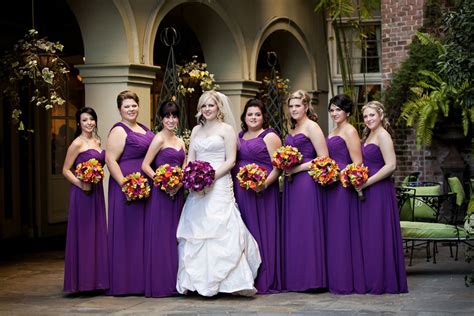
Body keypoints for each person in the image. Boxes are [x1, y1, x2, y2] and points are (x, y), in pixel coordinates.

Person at [176, 90, 261, 297]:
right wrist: (192, 178)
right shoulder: (196, 130)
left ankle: (228, 283)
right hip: (198, 186)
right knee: (198, 228)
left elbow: (231, 160)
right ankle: (196, 282)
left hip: (219, 182)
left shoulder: (227, 130)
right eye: (203, 106)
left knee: (221, 226)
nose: (207, 109)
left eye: (211, 105)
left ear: (218, 108)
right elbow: (191, 158)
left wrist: (209, 178)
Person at [105, 90, 154, 295]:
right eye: (126, 106)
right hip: (127, 187)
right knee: (129, 233)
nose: (131, 109)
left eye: (134, 105)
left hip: (145, 187)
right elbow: (110, 160)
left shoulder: (143, 128)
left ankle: (142, 280)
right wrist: (126, 184)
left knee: (142, 233)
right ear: (119, 109)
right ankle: (126, 282)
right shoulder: (119, 130)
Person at [356, 101, 408, 294]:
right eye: (366, 116)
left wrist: (367, 182)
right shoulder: (369, 134)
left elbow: (391, 166)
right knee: (370, 235)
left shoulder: (383, 135)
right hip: (368, 190)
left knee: (379, 234)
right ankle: (372, 277)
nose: (369, 119)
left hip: (379, 190)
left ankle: (383, 280)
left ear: (380, 115)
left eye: (372, 115)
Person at [232, 98, 281, 294]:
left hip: (263, 193)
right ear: (244, 117)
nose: (253, 118)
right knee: (245, 231)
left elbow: (279, 167)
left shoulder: (269, 136)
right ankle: (246, 276)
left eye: (257, 114)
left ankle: (265, 277)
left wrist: (264, 185)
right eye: (250, 114)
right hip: (241, 191)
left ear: (263, 117)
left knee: (263, 232)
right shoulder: (239, 136)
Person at [281, 89, 328, 292]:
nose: (293, 109)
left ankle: (312, 278)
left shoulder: (312, 127)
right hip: (292, 184)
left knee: (307, 227)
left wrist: (296, 169)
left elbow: (324, 158)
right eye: (291, 106)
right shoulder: (292, 129)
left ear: (306, 106)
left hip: (306, 183)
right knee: (295, 228)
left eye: (297, 105)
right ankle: (296, 278)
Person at [141, 100, 186, 298]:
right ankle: (161, 283)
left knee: (176, 236)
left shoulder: (181, 141)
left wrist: (179, 183)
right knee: (162, 237)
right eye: (167, 116)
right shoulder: (158, 139)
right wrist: (161, 182)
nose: (171, 120)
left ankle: (177, 281)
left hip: (177, 194)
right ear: (161, 118)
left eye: (174, 116)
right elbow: (145, 165)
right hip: (161, 195)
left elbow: (185, 167)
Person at [62, 107, 109, 293]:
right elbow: (65, 170)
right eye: (84, 120)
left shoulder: (98, 141)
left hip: (96, 192)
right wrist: (80, 184)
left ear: (95, 121)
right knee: (84, 234)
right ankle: (81, 283)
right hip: (82, 194)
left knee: (97, 233)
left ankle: (96, 281)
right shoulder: (77, 143)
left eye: (91, 119)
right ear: (79, 123)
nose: (89, 123)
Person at [326, 94, 366, 294]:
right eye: (332, 110)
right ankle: (334, 277)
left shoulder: (350, 131)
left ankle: (346, 279)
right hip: (328, 185)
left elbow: (357, 162)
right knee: (332, 231)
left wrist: (338, 175)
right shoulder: (333, 131)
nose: (334, 113)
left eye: (338, 110)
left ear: (347, 112)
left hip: (342, 185)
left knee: (342, 230)